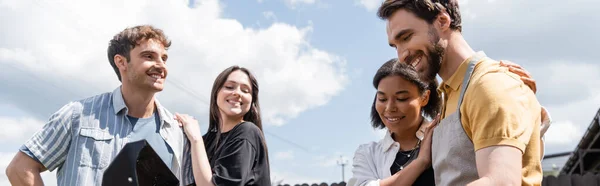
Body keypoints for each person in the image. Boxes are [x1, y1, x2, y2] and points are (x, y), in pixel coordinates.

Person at [377, 0, 549, 185]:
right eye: (395, 46)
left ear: (442, 21)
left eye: (406, 37)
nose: (401, 56)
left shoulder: (490, 84)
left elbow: (501, 181)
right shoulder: (450, 94)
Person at [5, 25, 194, 186]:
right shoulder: (78, 115)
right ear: (121, 62)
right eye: (149, 56)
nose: (161, 65)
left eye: (164, 58)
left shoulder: (177, 131)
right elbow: (20, 169)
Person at [175, 66, 271, 186]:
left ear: (252, 102)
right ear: (216, 93)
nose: (237, 93)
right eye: (229, 87)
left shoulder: (247, 132)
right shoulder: (207, 141)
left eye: (245, 90)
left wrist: (195, 139)